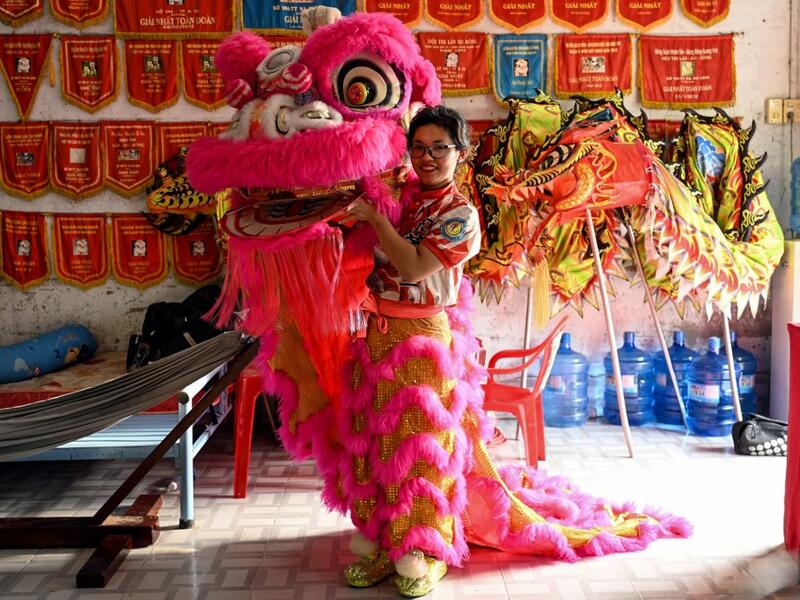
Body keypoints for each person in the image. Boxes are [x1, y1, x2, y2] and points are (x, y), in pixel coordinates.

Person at [342, 105, 480, 597]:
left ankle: (425, 548)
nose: (427, 157)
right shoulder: (402, 197)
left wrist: (376, 221)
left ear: (459, 154)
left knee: (420, 447)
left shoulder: (460, 215)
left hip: (422, 338)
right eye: (418, 147)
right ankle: (386, 541)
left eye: (439, 148)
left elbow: (416, 266)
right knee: (379, 442)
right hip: (377, 334)